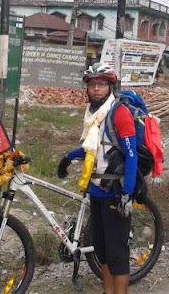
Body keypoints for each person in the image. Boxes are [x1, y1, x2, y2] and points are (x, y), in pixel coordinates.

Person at [57, 63, 137, 294]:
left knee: (117, 252)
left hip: (115, 191)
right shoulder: (93, 116)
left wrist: (127, 192)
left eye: (101, 84)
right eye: (92, 84)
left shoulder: (118, 112)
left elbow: (131, 155)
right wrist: (68, 157)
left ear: (110, 87)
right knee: (101, 249)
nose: (96, 89)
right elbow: (93, 148)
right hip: (96, 190)